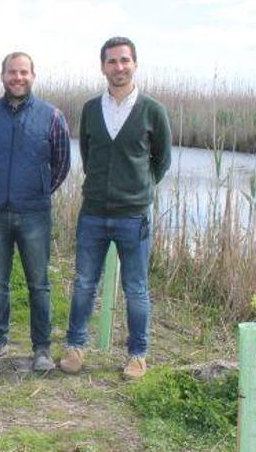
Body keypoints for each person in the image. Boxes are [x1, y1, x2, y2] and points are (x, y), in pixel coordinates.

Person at [59, 37, 172, 379]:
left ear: (135, 64)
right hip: (93, 213)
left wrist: (137, 188)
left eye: (124, 60)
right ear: (103, 66)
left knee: (135, 288)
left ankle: (137, 354)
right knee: (83, 283)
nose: (118, 67)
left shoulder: (153, 111)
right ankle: (75, 347)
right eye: (112, 61)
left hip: (133, 215)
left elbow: (161, 161)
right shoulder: (92, 109)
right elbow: (89, 156)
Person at [0, 52, 70, 371]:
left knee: (38, 283)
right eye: (12, 72)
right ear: (2, 76)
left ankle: (42, 349)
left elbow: (62, 163)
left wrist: (38, 189)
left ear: (33, 75)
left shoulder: (51, 116)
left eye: (23, 72)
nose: (17, 78)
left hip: (34, 214)